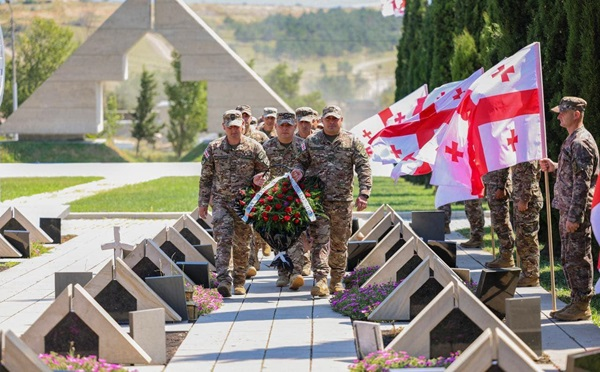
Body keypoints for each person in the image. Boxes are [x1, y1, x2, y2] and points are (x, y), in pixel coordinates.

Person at [293, 105, 372, 296]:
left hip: (343, 202)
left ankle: (336, 280)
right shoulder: (311, 141)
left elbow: (363, 166)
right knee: (320, 241)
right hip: (318, 201)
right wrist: (298, 171)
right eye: (328, 119)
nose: (331, 122)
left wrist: (364, 192)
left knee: (339, 243)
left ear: (341, 120)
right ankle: (320, 280)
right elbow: (301, 161)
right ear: (321, 120)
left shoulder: (352, 141)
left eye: (335, 119)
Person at [198, 110, 270, 298]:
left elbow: (267, 172)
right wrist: (203, 202)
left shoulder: (254, 148)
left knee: (242, 243)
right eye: (230, 127)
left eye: (237, 127)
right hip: (221, 201)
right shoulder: (214, 148)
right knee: (223, 239)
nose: (234, 131)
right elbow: (205, 177)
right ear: (224, 127)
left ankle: (239, 281)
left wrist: (259, 180)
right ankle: (223, 279)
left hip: (244, 203)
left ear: (243, 126)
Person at [541, 96, 599, 321]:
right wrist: (555, 167)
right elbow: (573, 174)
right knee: (569, 257)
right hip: (568, 209)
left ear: (576, 114)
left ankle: (582, 304)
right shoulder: (572, 140)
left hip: (576, 212)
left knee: (577, 258)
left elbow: (583, 183)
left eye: (563, 112)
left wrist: (575, 216)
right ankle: (577, 301)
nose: (558, 116)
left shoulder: (580, 142)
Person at [262, 112, 308, 290]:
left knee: (296, 234)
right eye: (282, 125)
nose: (285, 129)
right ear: (276, 127)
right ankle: (282, 271)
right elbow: (260, 170)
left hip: (298, 197)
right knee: (277, 236)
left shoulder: (303, 146)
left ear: (294, 126)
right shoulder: (267, 147)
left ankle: (296, 271)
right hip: (274, 199)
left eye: (289, 125)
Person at [236, 104, 270, 277]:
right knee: (244, 228)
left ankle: (254, 258)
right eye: (240, 115)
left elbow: (266, 163)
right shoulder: (230, 136)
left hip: (257, 190)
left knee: (255, 227)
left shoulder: (259, 137)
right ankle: (249, 263)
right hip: (237, 193)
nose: (244, 118)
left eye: (246, 115)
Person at [511, 161, 543, 287]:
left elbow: (530, 175)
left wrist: (524, 199)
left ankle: (531, 275)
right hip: (522, 201)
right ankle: (528, 273)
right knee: (522, 239)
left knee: (528, 239)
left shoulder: (527, 152)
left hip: (528, 203)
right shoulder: (522, 151)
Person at [483, 168, 515, 268]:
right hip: (492, 184)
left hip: (498, 186)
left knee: (502, 223)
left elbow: (504, 164)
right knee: (497, 223)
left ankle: (507, 256)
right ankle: (503, 255)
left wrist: (501, 187)